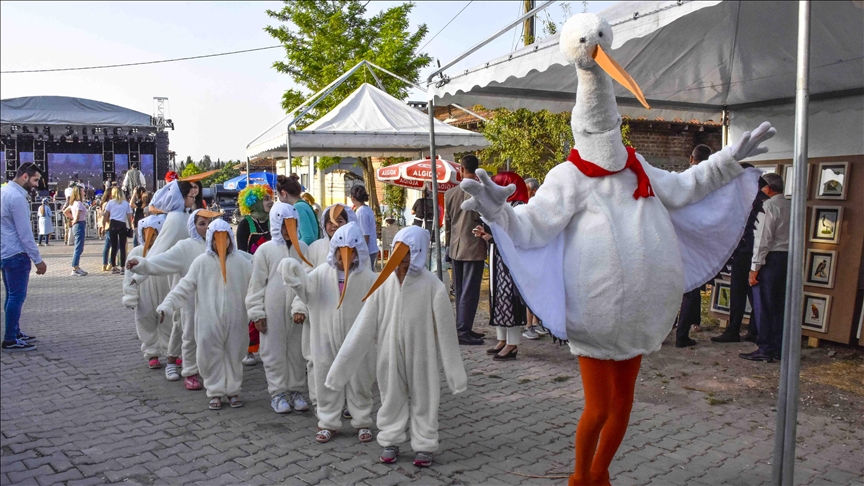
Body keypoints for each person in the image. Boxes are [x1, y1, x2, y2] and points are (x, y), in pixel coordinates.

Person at [460, 13, 773, 485]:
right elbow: (532, 229)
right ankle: (579, 476)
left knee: (624, 402)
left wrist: (728, 160)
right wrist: (499, 213)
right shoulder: (569, 177)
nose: (607, 146)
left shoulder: (637, 166)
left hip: (642, 312)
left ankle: (600, 473)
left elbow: (686, 188)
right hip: (596, 312)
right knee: (599, 404)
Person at [325, 225, 467, 467]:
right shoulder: (383, 285)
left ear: (420, 253)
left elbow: (446, 333)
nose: (402, 260)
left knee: (425, 398)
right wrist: (339, 371)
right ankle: (390, 439)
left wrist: (455, 375)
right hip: (389, 354)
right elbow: (362, 328)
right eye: (397, 253)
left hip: (423, 355)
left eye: (408, 253)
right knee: (391, 396)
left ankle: (424, 442)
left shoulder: (434, 286)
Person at [279, 223, 377, 444]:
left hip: (358, 339)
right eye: (340, 253)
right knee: (325, 378)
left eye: (351, 253)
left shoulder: (368, 278)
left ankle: (362, 420)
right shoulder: (321, 273)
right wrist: (292, 275)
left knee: (360, 379)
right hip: (325, 336)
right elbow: (306, 291)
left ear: (358, 252)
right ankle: (327, 421)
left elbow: (378, 304)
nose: (345, 259)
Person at [157, 219, 253, 410]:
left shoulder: (242, 263)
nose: (221, 243)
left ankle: (233, 390)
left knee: (235, 355)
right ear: (209, 240)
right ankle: (215, 391)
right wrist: (167, 306)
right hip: (208, 322)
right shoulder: (201, 263)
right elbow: (183, 288)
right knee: (209, 355)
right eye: (216, 239)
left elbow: (256, 286)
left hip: (236, 320)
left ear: (230, 240)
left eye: (224, 238)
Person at [126, 208, 222, 390]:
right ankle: (187, 370)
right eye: (202, 224)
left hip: (212, 299)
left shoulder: (220, 244)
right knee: (186, 334)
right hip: (187, 299)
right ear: (193, 226)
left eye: (210, 223)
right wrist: (143, 264)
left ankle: (206, 367)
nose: (207, 227)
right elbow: (162, 260)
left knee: (207, 334)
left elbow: (238, 260)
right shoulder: (185, 246)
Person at [246, 202, 314, 414]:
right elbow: (256, 285)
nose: (287, 229)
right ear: (275, 223)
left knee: (297, 352)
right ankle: (277, 393)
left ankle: (295, 390)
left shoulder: (303, 249)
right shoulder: (265, 251)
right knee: (272, 352)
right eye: (283, 225)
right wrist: (256, 312)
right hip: (272, 310)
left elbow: (307, 280)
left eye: (292, 224)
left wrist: (301, 306)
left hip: (297, 314)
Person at [474, 172, 529, 361]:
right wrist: (486, 233)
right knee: (497, 297)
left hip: (509, 261)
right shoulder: (502, 206)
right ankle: (502, 339)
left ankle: (512, 343)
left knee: (508, 299)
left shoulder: (519, 207)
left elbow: (514, 235)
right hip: (498, 257)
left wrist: (492, 237)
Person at [712, 165, 768, 344]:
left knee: (743, 289)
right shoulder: (757, 195)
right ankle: (753, 329)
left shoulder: (751, 196)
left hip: (748, 249)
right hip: (750, 248)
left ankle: (740, 329)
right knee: (750, 291)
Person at [740, 173, 790, 363]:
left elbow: (763, 240)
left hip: (770, 259)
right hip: (786, 258)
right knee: (779, 305)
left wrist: (755, 268)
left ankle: (765, 348)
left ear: (768, 188)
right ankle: (778, 346)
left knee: (764, 305)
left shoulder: (768, 206)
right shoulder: (790, 205)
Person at [1, 163, 47, 352]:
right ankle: (10, 338)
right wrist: (38, 259)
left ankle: (15, 331)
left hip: (5, 252)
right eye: (35, 179)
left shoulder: (3, 192)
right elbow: (25, 233)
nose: (36, 184)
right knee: (16, 297)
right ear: (25, 176)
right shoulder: (17, 198)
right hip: (16, 254)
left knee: (11, 296)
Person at [444, 155, 487, 346]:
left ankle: (463, 326)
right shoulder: (481, 192)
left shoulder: (450, 193)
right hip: (473, 246)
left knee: (460, 289)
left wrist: (448, 246)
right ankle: (463, 329)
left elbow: (447, 223)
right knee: (469, 291)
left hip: (455, 246)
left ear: (461, 170)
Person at [674, 144, 714, 348]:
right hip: (695, 241)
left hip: (674, 239)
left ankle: (668, 329)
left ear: (691, 158)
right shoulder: (709, 183)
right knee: (691, 288)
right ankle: (682, 334)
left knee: (672, 288)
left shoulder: (681, 180)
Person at [122, 214, 169, 369]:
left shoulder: (166, 251)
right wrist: (130, 296)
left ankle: (172, 352)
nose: (150, 238)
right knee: (145, 323)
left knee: (169, 323)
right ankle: (152, 353)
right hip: (145, 296)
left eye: (154, 234)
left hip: (165, 293)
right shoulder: (136, 252)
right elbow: (129, 275)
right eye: (145, 234)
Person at [236, 184, 275, 367]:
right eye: (265, 199)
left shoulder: (273, 220)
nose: (270, 201)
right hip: (252, 272)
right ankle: (248, 349)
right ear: (255, 202)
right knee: (251, 310)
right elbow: (241, 252)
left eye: (270, 198)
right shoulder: (245, 224)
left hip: (272, 272)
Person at [275, 175, 318, 246]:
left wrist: (292, 250)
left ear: (283, 193)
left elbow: (308, 238)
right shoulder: (303, 204)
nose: (278, 198)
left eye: (278, 194)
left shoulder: (298, 207)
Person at [103, 187, 134, 274]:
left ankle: (113, 266)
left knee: (114, 246)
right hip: (122, 224)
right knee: (122, 247)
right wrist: (130, 226)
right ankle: (122, 267)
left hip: (113, 223)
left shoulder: (110, 202)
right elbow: (129, 216)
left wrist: (103, 224)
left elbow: (106, 214)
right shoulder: (125, 203)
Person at [350, 185, 378, 269]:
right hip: (371, 249)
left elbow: (365, 235)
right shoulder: (367, 209)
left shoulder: (361, 212)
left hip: (367, 250)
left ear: (353, 198)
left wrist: (360, 252)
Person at [65, 186, 89, 276]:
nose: (84, 193)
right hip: (79, 224)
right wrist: (74, 220)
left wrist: (72, 218)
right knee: (78, 247)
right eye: (82, 191)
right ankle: (75, 267)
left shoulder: (73, 203)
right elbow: (78, 216)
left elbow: (65, 212)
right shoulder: (78, 203)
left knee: (78, 246)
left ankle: (76, 266)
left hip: (78, 224)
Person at [99, 187, 115, 271]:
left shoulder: (105, 203)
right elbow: (106, 215)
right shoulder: (108, 203)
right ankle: (109, 263)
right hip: (110, 225)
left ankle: (105, 263)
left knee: (107, 245)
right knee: (113, 245)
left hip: (107, 225)